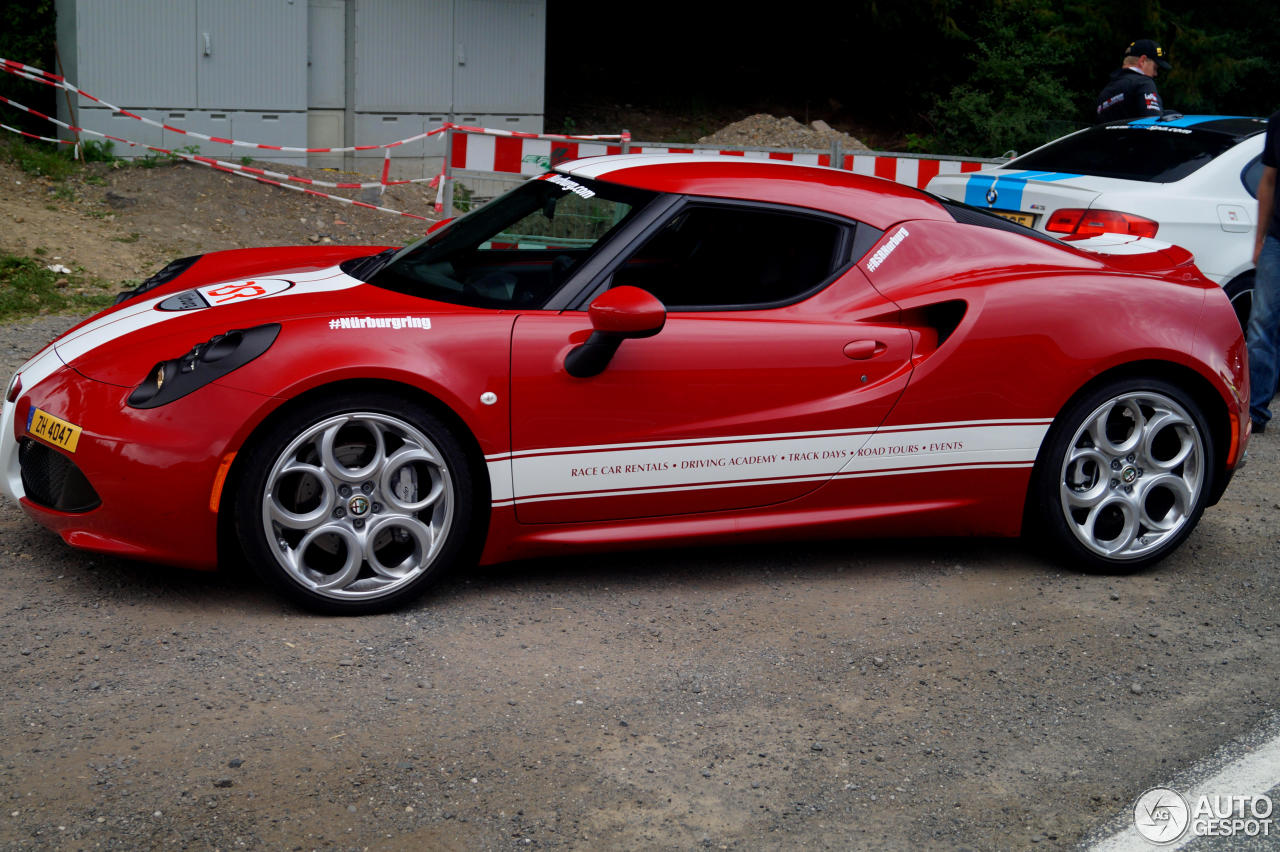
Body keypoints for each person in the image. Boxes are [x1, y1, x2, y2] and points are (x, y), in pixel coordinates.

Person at [1246, 110, 1280, 434]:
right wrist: (1260, 240)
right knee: (1262, 325)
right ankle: (1255, 411)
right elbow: (1267, 181)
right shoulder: (1278, 121)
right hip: (1278, 241)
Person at [1096, 39, 1171, 122]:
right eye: (1155, 68)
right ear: (1142, 61)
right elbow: (1154, 124)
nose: (1155, 74)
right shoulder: (1143, 83)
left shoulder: (1104, 93)